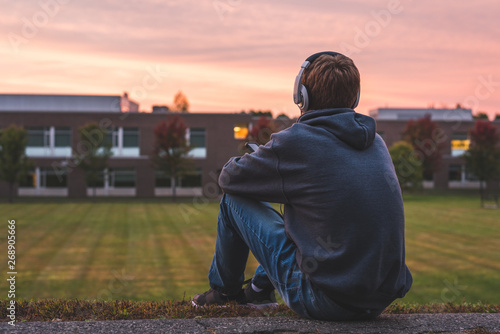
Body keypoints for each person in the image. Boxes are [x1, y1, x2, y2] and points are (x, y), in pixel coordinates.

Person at [192, 51, 412, 321]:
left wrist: (260, 158)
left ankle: (224, 295)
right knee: (307, 216)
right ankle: (260, 289)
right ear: (354, 97)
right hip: (377, 301)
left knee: (232, 201)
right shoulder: (375, 142)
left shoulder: (296, 141)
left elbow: (229, 179)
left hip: (323, 299)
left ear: (302, 95)